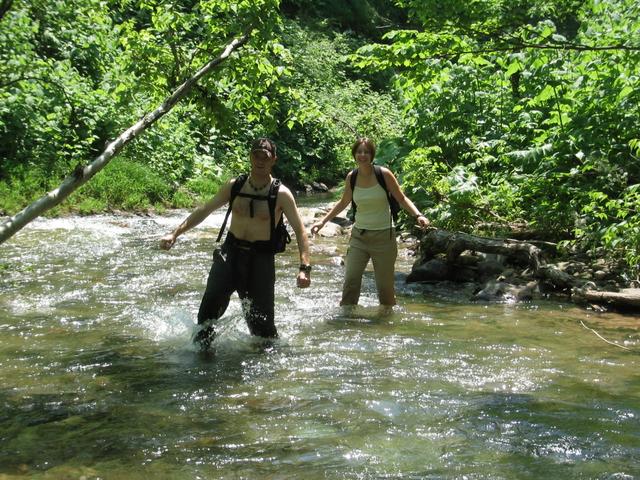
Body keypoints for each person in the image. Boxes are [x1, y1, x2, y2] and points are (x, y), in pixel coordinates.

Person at [160, 138, 311, 349]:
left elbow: (300, 231)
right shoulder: (235, 186)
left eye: (265, 157)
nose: (260, 161)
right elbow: (205, 209)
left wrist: (304, 268)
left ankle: (267, 369)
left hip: (261, 259)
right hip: (229, 254)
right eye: (256, 155)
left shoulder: (281, 194)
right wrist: (175, 233)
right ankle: (201, 358)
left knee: (262, 328)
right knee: (208, 312)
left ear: (273, 160)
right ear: (250, 157)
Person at [311, 137, 429, 307]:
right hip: (359, 237)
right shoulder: (352, 177)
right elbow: (343, 202)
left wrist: (418, 215)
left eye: (366, 152)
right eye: (359, 151)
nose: (362, 155)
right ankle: (346, 322)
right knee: (350, 282)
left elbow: (401, 198)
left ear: (372, 155)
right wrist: (322, 222)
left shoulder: (384, 174)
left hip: (384, 238)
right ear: (354, 155)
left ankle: (386, 325)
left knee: (385, 290)